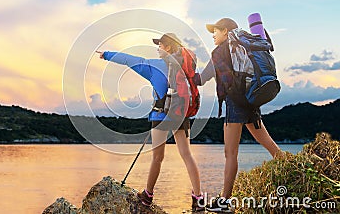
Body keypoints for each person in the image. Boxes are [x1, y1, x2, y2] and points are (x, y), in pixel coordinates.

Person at [97, 33, 205, 212]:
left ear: (168, 47)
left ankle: (147, 196)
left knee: (157, 157)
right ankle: (198, 199)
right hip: (181, 114)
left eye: (160, 45)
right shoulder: (185, 67)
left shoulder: (154, 66)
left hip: (160, 116)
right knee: (187, 155)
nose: (158, 49)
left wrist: (106, 54)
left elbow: (129, 60)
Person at [195, 18, 282, 213]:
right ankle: (295, 170)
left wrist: (185, 75)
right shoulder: (246, 47)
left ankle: (224, 201)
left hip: (236, 104)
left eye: (215, 31)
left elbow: (202, 78)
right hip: (252, 99)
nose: (213, 35)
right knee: (271, 146)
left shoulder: (219, 52)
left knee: (230, 153)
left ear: (225, 31)